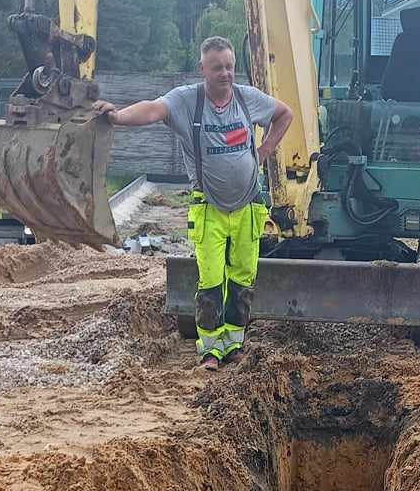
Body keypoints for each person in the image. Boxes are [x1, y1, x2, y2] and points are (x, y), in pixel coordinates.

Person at [92, 37, 293, 370]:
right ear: (203, 69)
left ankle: (233, 346)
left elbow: (285, 114)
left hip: (249, 207)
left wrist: (265, 150)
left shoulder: (247, 99)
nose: (225, 74)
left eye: (229, 67)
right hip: (209, 208)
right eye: (217, 68)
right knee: (211, 281)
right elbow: (153, 109)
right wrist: (117, 117)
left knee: (242, 280)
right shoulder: (187, 101)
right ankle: (210, 352)